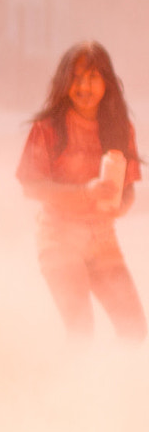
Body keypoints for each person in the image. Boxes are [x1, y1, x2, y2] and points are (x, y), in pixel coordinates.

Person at [16, 41, 145, 341]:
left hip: (103, 242)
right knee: (81, 330)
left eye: (92, 77)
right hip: (59, 240)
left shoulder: (120, 127)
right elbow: (31, 186)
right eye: (75, 78)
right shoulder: (48, 127)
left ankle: (121, 387)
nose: (83, 86)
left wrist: (118, 206)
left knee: (135, 329)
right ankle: (72, 387)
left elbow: (128, 192)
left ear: (107, 82)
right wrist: (85, 193)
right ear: (63, 83)